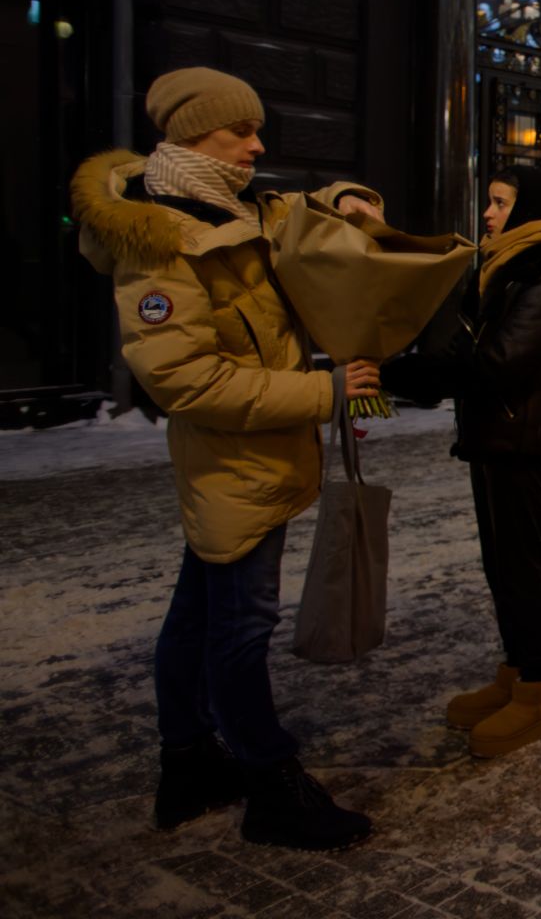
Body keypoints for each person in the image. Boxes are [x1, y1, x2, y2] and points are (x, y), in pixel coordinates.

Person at [70, 68, 384, 851]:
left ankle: (187, 763)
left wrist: (344, 195)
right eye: (238, 133)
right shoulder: (160, 240)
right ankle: (271, 783)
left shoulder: (233, 205)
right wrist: (327, 394)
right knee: (239, 628)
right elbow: (187, 381)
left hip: (256, 459)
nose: (256, 144)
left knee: (197, 613)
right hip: (233, 462)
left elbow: (296, 213)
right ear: (191, 138)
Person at [386, 166, 541, 758]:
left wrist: (404, 373)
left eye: (500, 204)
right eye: (491, 203)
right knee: (500, 563)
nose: (489, 214)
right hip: (492, 435)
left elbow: (498, 363)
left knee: (523, 564)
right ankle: (512, 674)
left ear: (530, 212)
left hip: (525, 441)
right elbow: (463, 349)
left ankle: (535, 694)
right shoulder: (502, 272)